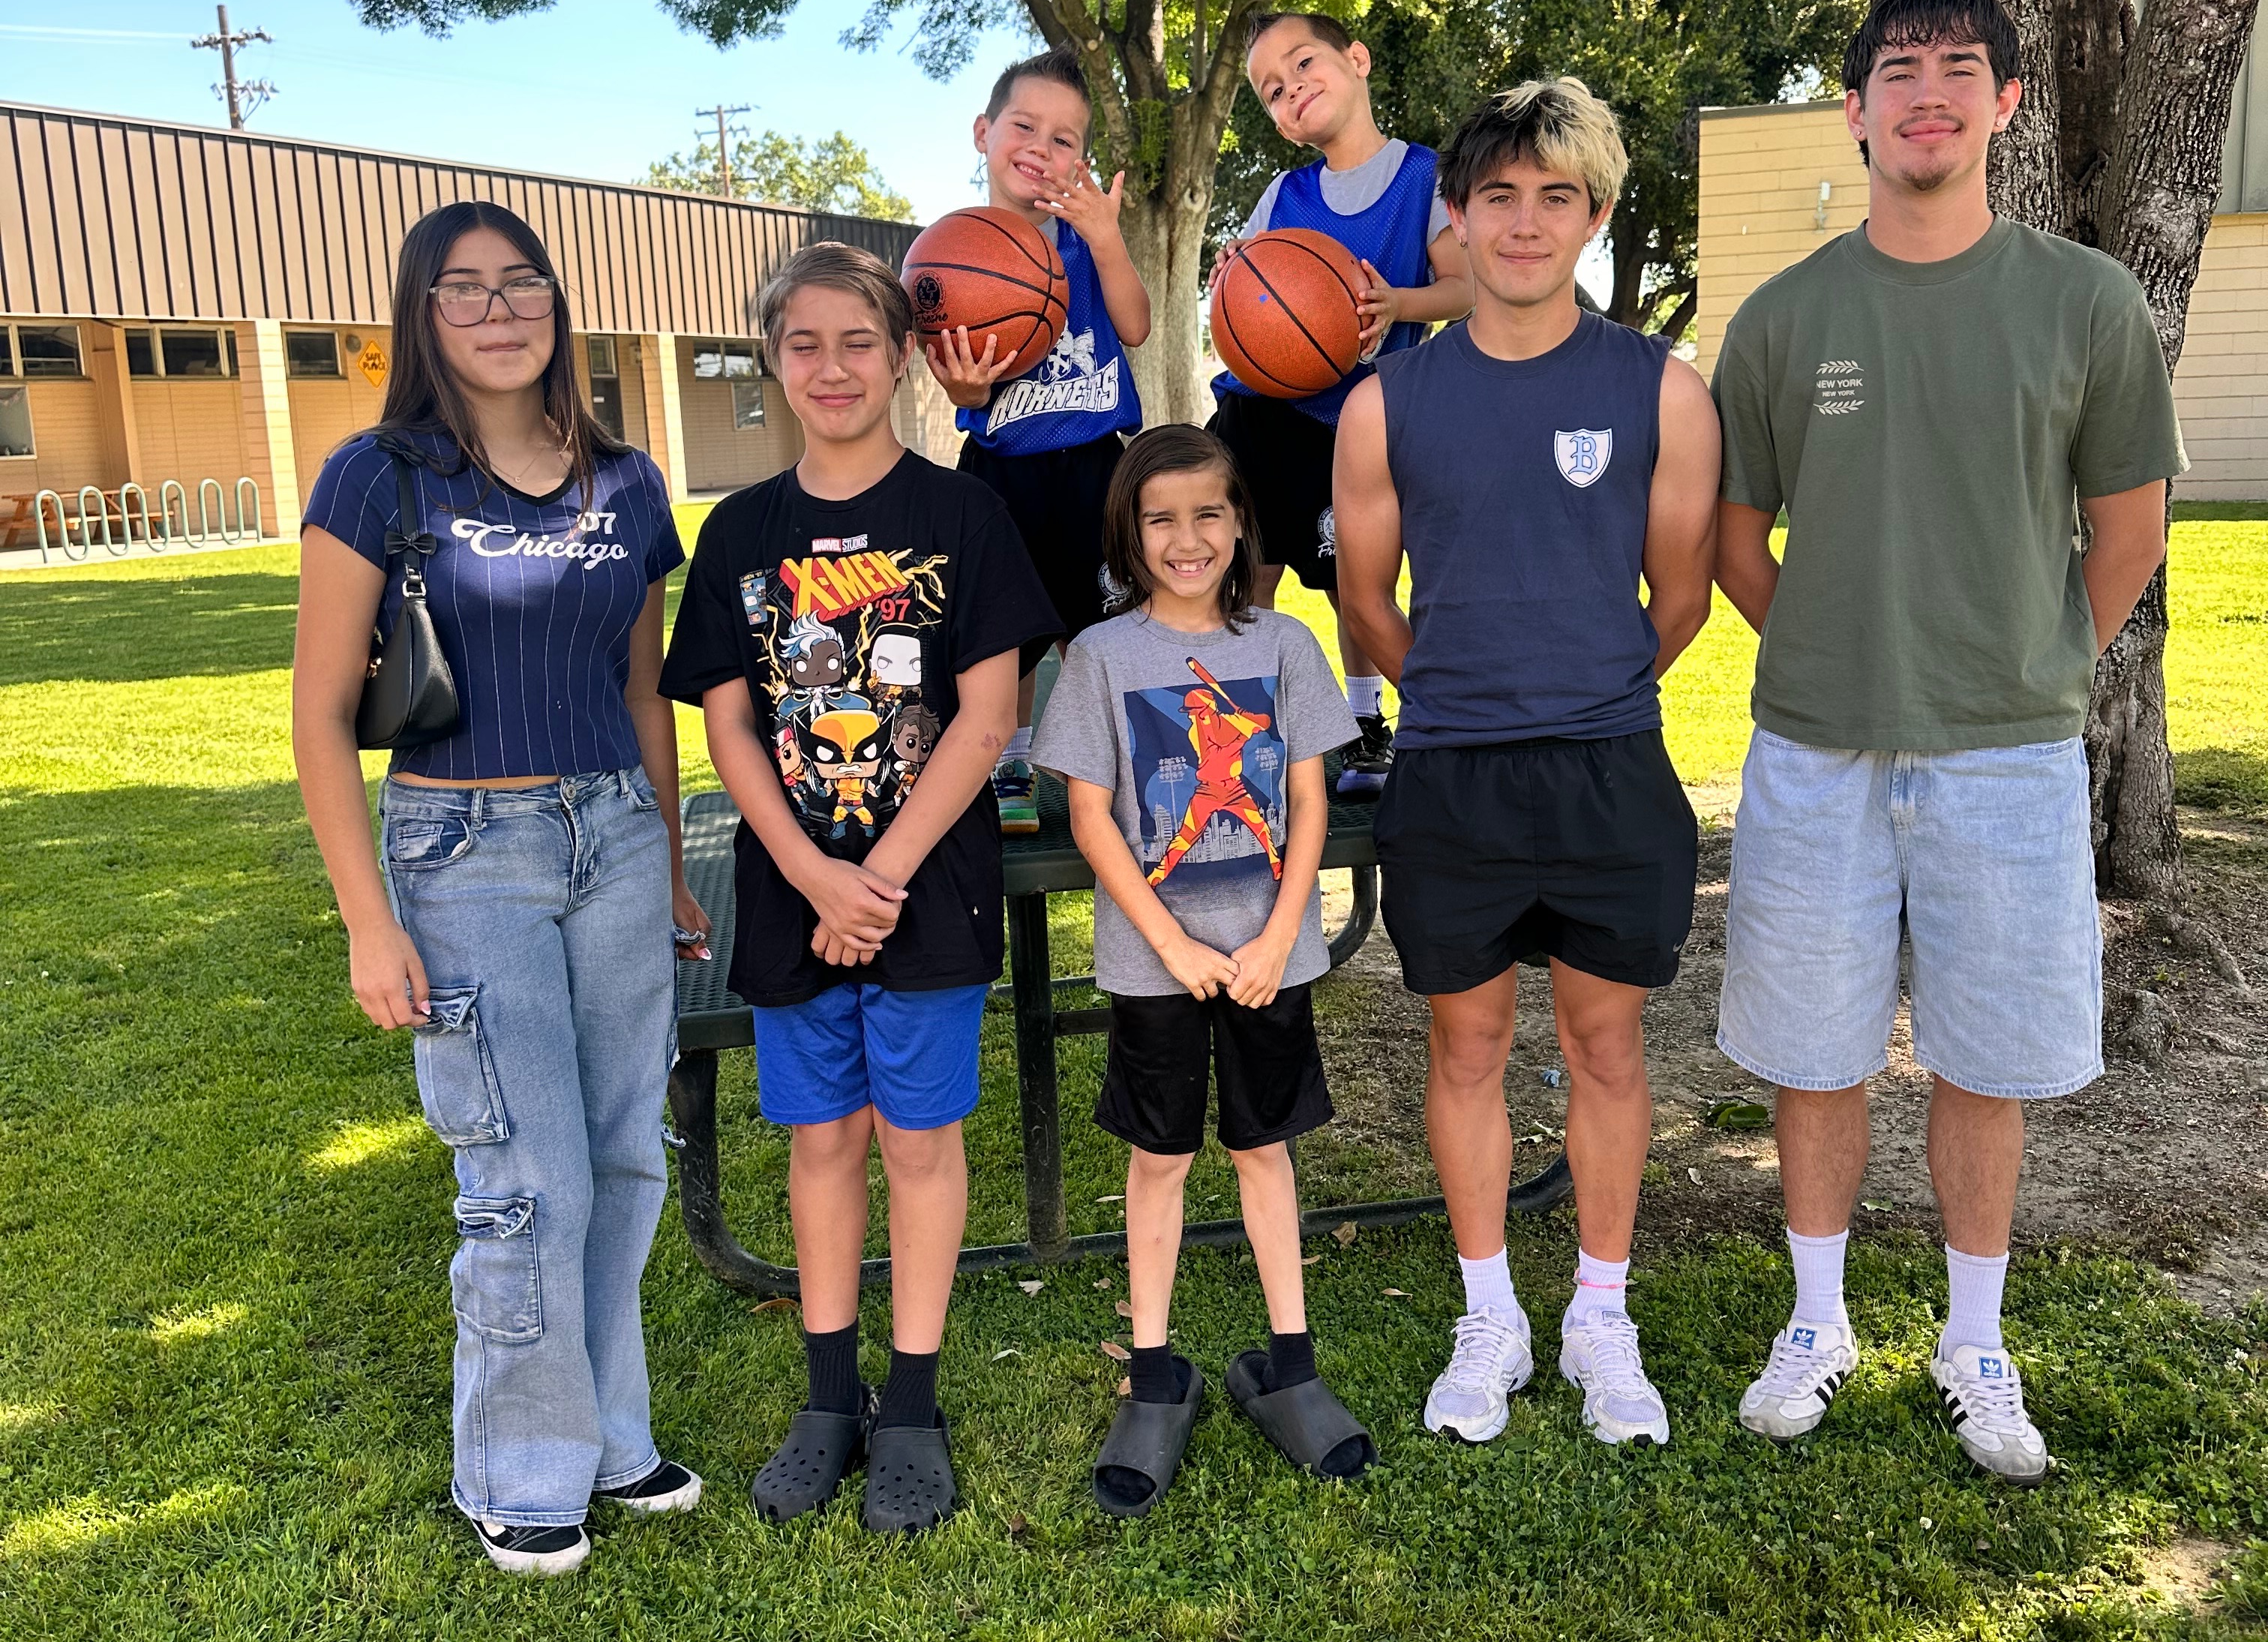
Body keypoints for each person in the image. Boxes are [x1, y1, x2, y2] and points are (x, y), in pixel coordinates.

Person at [1712, 0, 2182, 1482]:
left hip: (2007, 754)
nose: (1928, 93)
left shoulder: (2085, 303)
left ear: (2005, 103)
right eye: (1898, 70)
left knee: (1984, 1058)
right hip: (1815, 750)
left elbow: (2127, 531)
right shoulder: (1783, 319)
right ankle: (1818, 1323)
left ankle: (1974, 1342)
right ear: (1853, 112)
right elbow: (1734, 539)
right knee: (1814, 1050)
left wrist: (2030, 667)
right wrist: (1833, 649)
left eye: (1958, 68)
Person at [292, 201, 708, 1579]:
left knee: (625, 1155)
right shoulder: (377, 479)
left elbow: (641, 693)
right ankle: (519, 1472)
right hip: (465, 853)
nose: (497, 309)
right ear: (423, 315)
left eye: (520, 283)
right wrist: (368, 921)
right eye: (462, 289)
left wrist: (666, 861)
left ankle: (610, 1439)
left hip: (615, 837)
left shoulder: (627, 482)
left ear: (556, 304)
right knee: (526, 1177)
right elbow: (316, 716)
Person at [1334, 80, 1720, 1451]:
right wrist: (1457, 690)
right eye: (1496, 195)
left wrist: (1583, 686)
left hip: (1608, 766)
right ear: (1454, 216)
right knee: (1467, 1043)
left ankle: (1600, 1315)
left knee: (1606, 1044)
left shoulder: (1659, 388)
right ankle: (1488, 1312)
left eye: (1556, 197)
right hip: (1453, 772)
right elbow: (1366, 601)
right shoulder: (1386, 402)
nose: (1523, 222)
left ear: (1595, 215)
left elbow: (1681, 596)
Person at [661, 242, 1058, 1535]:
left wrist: (875, 875)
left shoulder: (961, 516)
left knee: (918, 1141)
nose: (830, 367)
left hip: (925, 888)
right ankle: (831, 1396)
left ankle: (915, 1401)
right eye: (802, 344)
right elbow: (729, 726)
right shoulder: (738, 531)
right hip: (793, 891)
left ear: (900, 359)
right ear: (770, 361)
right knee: (822, 1140)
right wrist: (811, 873)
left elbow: (987, 716)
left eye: (856, 342)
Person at [1034, 425, 1374, 1514]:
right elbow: (1092, 816)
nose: (1187, 539)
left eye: (1208, 515)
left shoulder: (1286, 644)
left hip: (1271, 955)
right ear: (1129, 534)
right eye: (1161, 519)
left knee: (1266, 1148)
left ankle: (1291, 1365)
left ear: (1241, 525)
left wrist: (1279, 936)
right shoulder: (1100, 657)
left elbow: (1310, 801)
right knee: (1162, 1159)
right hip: (1156, 966)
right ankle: (1153, 1372)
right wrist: (1172, 944)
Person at [1208, 11, 1474, 797]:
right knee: (1246, 578)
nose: (1291, 89)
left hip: (1356, 423)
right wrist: (1231, 279)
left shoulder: (1424, 178)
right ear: (1279, 123)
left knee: (1354, 584)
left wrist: (1399, 304)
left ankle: (1364, 725)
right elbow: (1241, 293)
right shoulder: (1285, 194)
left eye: (1303, 64)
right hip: (1261, 415)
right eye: (1272, 90)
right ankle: (1249, 730)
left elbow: (1464, 287)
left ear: (1357, 58)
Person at [926, 48, 1152, 833]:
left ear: (1081, 160)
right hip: (1001, 468)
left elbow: (1135, 327)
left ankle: (1121, 764)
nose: (1041, 148)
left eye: (1064, 139)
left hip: (1094, 464)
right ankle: (1011, 763)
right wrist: (964, 392)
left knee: (1109, 631)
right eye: (1024, 127)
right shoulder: (952, 251)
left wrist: (1108, 239)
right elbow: (960, 385)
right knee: (1005, 633)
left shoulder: (1088, 240)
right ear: (983, 133)